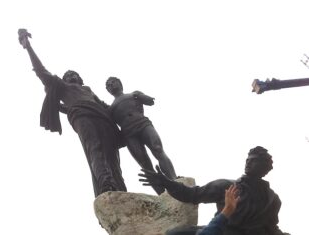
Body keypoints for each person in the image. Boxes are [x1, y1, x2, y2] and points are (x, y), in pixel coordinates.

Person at [18, 29, 126, 197]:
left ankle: (121, 188)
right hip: (82, 117)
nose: (71, 75)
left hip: (103, 118)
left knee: (112, 156)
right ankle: (106, 183)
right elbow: (41, 71)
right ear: (64, 79)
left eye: (74, 74)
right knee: (94, 149)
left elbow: (107, 107)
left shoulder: (87, 89)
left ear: (80, 77)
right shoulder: (62, 87)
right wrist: (28, 47)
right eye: (68, 75)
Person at [139, 146, 290, 235]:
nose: (248, 163)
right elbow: (192, 194)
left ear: (265, 167)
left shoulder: (273, 200)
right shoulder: (227, 186)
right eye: (247, 160)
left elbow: (271, 228)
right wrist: (167, 183)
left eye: (254, 160)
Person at [106, 76, 177, 194]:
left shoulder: (133, 94)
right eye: (108, 85)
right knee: (145, 163)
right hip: (128, 134)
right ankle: (161, 192)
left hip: (143, 124)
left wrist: (140, 96)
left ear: (120, 83)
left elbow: (150, 101)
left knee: (157, 149)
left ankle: (174, 179)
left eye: (113, 82)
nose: (111, 85)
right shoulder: (110, 109)